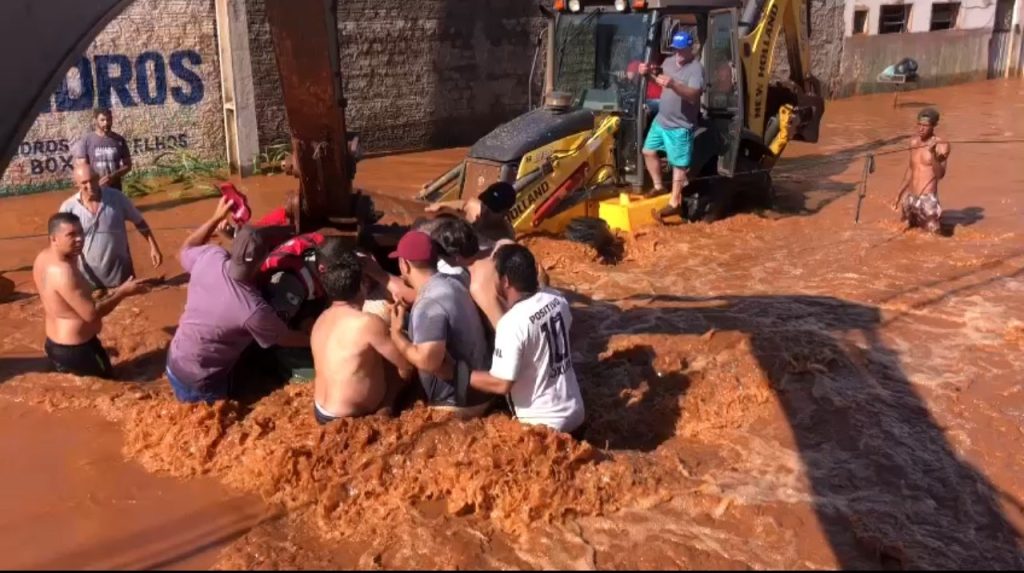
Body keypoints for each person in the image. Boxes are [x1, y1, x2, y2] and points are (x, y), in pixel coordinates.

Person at [165, 198, 310, 403]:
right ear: (264, 260)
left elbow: (184, 249)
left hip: (174, 361)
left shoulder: (211, 256)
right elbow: (285, 338)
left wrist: (215, 218)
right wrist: (313, 338)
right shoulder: (252, 310)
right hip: (201, 384)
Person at [467, 244, 585, 434]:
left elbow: (501, 384)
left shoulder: (511, 323)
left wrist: (460, 375)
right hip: (577, 414)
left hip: (544, 428)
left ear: (505, 281)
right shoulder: (558, 300)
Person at [387, 231, 493, 418]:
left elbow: (428, 361)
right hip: (483, 390)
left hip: (458, 405)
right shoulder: (455, 281)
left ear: (404, 264)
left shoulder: (429, 304)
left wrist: (397, 335)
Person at [33, 212, 146, 378]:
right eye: (71, 235)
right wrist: (122, 292)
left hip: (54, 344)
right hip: (77, 350)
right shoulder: (65, 272)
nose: (80, 239)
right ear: (54, 239)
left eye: (81, 232)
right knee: (110, 386)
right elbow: (91, 314)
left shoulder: (42, 258)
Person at [311, 249, 414, 423]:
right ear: (362, 286)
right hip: (351, 417)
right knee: (404, 364)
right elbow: (406, 364)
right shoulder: (367, 322)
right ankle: (386, 407)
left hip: (321, 412)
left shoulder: (321, 319)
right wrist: (397, 330)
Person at [59, 163, 162, 290]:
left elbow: (139, 222)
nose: (90, 186)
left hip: (121, 275)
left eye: (92, 180)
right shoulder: (68, 208)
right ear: (76, 185)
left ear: (98, 178)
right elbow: (60, 244)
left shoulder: (117, 198)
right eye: (84, 183)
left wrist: (154, 247)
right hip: (88, 279)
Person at [638, 31, 705, 223]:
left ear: (691, 48)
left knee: (678, 164)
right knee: (648, 151)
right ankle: (659, 186)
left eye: (682, 49)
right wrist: (647, 74)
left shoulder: (696, 69)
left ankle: (675, 202)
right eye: (676, 49)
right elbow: (660, 82)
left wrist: (674, 84)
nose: (679, 53)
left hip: (680, 125)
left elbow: (694, 95)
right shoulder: (668, 62)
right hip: (662, 120)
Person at [892, 108, 951, 235]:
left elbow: (940, 174)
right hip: (910, 197)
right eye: (919, 124)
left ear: (934, 126)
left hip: (927, 198)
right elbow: (910, 169)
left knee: (933, 235)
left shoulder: (942, 145)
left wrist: (933, 153)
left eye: (925, 126)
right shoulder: (914, 142)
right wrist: (899, 194)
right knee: (903, 232)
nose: (921, 129)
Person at [72, 108, 132, 191]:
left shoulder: (119, 140)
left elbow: (128, 165)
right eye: (102, 120)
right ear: (95, 121)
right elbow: (82, 167)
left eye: (108, 119)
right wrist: (94, 181)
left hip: (115, 189)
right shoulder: (87, 140)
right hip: (94, 189)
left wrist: (113, 176)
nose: (106, 123)